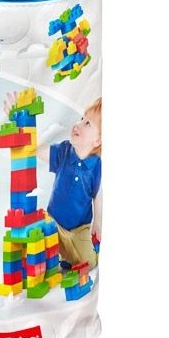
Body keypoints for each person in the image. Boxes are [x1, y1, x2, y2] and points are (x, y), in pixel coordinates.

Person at [46, 98, 102, 269]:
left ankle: (69, 255)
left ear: (97, 141)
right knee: (40, 245)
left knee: (89, 263)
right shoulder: (64, 150)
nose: (78, 124)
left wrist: (98, 222)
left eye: (87, 123)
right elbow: (40, 152)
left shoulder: (96, 165)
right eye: (81, 118)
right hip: (54, 221)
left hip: (79, 229)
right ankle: (60, 255)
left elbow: (97, 195)